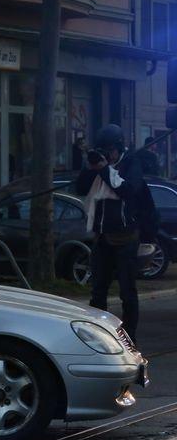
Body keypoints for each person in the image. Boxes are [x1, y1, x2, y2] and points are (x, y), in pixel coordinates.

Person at [76, 124, 143, 342]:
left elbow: (128, 190)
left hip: (125, 238)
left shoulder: (131, 163)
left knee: (127, 292)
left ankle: (129, 336)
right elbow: (80, 188)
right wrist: (91, 167)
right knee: (98, 291)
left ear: (119, 147)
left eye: (110, 150)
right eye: (103, 150)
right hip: (102, 237)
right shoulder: (99, 166)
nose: (108, 154)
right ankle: (97, 336)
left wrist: (105, 169)